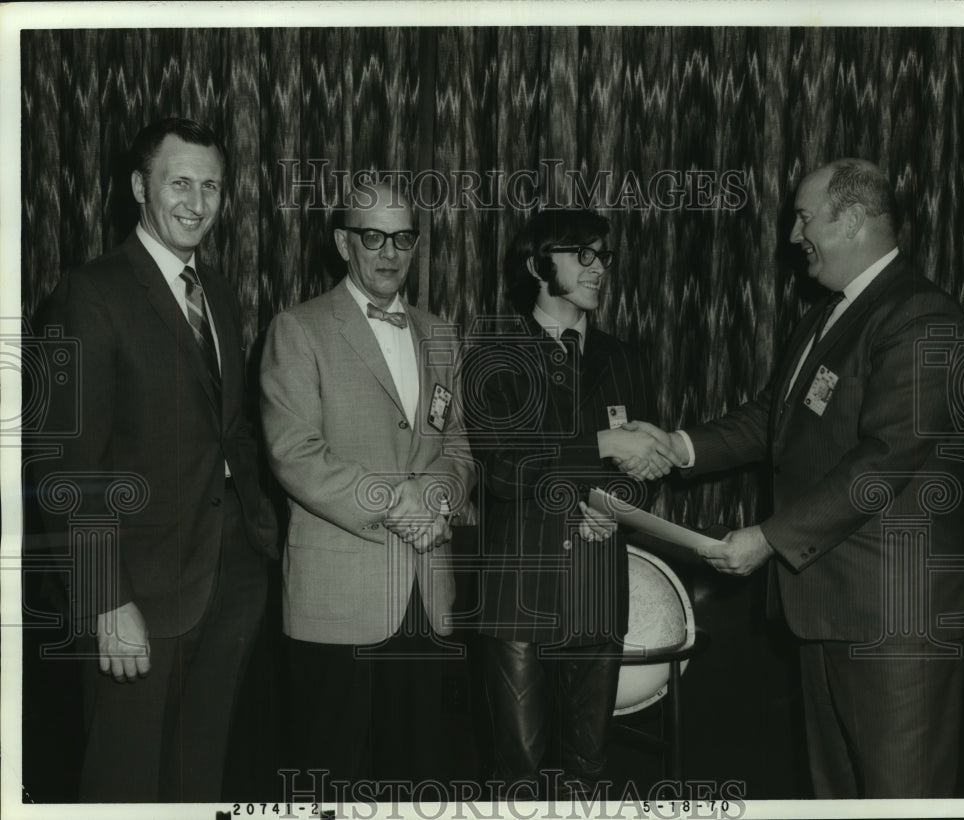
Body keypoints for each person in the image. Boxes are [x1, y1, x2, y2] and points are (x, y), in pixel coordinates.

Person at [625, 159, 964, 798]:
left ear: (855, 219)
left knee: (903, 796)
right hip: (826, 608)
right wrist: (677, 446)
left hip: (892, 622)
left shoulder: (921, 315)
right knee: (837, 795)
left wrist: (768, 537)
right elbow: (774, 420)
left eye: (805, 218)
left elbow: (888, 457)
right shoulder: (829, 316)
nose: (792, 236)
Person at [34, 117, 279, 801]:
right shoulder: (90, 295)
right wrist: (105, 598)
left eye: (212, 186)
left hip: (230, 577)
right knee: (125, 783)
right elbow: (64, 468)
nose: (197, 202)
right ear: (141, 186)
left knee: (198, 778)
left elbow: (228, 434)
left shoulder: (220, 294)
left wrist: (259, 541)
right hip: (137, 589)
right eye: (180, 182)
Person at [259, 181, 474, 788]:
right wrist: (395, 505)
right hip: (338, 600)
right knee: (331, 779)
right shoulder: (298, 330)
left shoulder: (440, 334)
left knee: (418, 778)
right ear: (342, 242)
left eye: (403, 238)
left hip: (427, 597)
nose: (389, 252)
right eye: (372, 236)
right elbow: (294, 453)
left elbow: (457, 448)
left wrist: (436, 496)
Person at [464, 209, 667, 799]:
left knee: (588, 772)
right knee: (518, 775)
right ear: (535, 266)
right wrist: (602, 444)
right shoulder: (494, 357)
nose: (598, 267)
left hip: (598, 588)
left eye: (602, 255)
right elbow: (504, 471)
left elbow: (646, 468)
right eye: (581, 254)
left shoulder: (625, 356)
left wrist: (616, 504)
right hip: (519, 593)